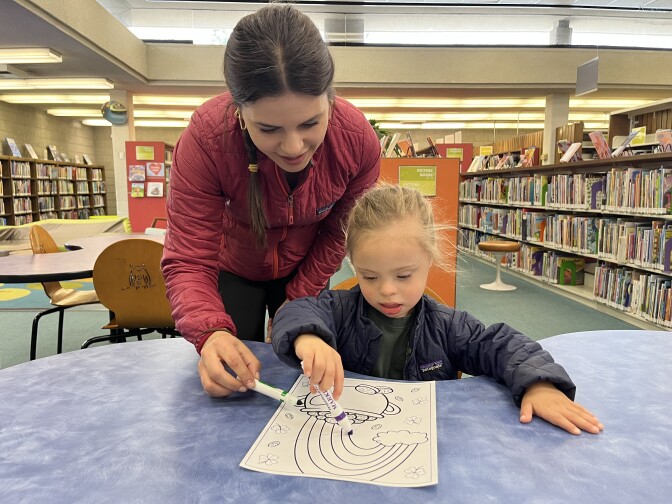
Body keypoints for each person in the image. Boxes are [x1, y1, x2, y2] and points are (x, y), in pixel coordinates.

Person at [161, 4, 381, 397]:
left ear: (330, 101)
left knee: (303, 373)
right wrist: (209, 332)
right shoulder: (207, 139)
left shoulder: (356, 141)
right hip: (232, 270)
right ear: (240, 113)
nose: (294, 146)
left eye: (311, 123)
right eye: (269, 128)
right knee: (231, 378)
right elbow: (189, 257)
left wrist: (297, 303)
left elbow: (337, 235)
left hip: (307, 267)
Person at [272, 184, 604, 435]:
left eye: (404, 275)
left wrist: (540, 384)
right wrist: (308, 338)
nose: (387, 289)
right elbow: (297, 311)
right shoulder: (339, 310)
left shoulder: (448, 326)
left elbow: (501, 344)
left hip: (421, 443)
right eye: (369, 276)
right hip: (347, 438)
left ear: (428, 261)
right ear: (353, 265)